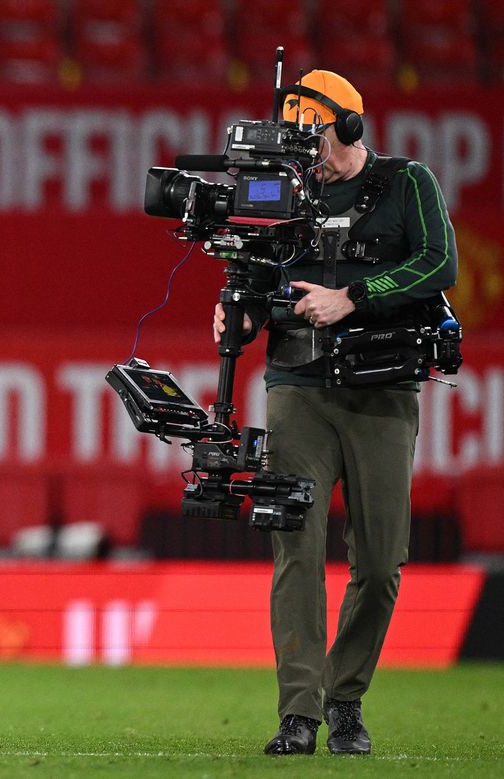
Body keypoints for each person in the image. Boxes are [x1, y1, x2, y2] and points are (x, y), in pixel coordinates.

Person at [213, 70, 458, 756]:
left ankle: (343, 695)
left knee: (380, 563)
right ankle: (299, 712)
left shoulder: (409, 182)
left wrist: (355, 295)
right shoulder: (290, 190)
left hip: (382, 390)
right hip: (297, 384)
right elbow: (255, 271)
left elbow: (440, 262)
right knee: (295, 548)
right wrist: (236, 308)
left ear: (349, 125)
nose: (302, 148)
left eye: (311, 132)